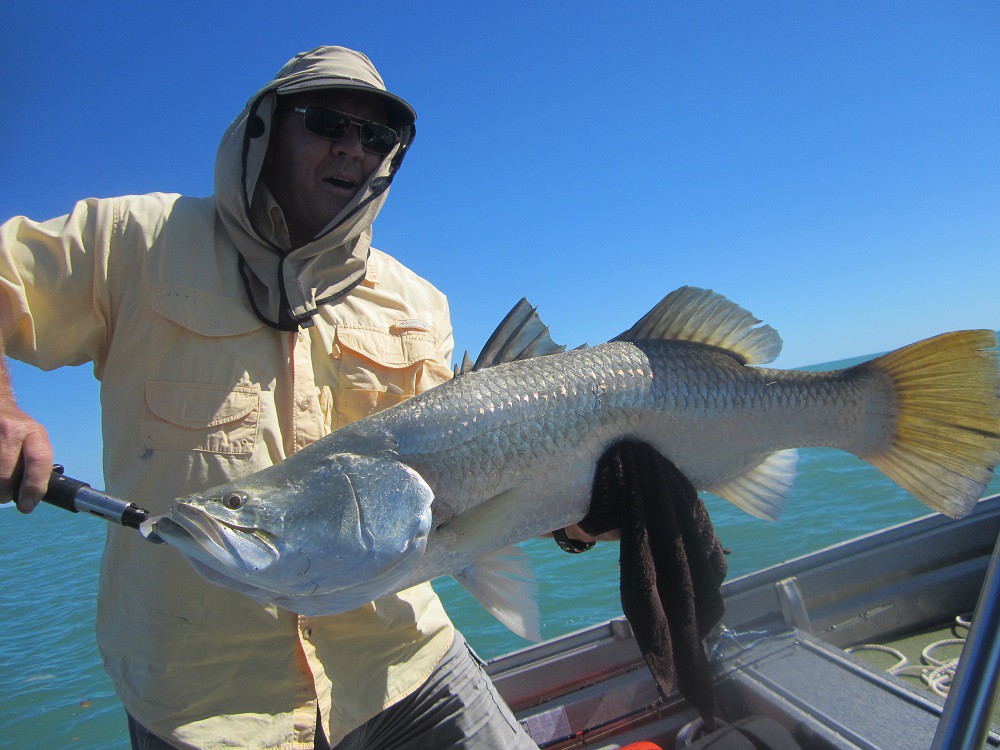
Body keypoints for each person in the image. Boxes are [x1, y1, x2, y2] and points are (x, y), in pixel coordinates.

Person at [0, 46, 541, 750]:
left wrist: (585, 512)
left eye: (376, 136)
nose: (353, 148)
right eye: (327, 123)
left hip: (406, 664)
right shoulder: (134, 242)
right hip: (207, 709)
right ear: (266, 129)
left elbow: (466, 484)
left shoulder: (419, 302)